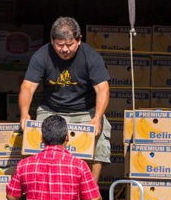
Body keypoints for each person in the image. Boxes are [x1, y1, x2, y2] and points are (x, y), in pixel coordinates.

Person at [18, 16, 112, 182]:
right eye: (60, 45)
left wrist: (97, 117)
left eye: (69, 45)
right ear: (52, 40)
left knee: (100, 140)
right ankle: (41, 188)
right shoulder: (41, 56)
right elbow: (28, 86)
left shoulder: (91, 56)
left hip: (85, 110)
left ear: (79, 40)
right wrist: (24, 113)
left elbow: (102, 88)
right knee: (33, 140)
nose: (65, 49)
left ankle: (91, 192)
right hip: (51, 109)